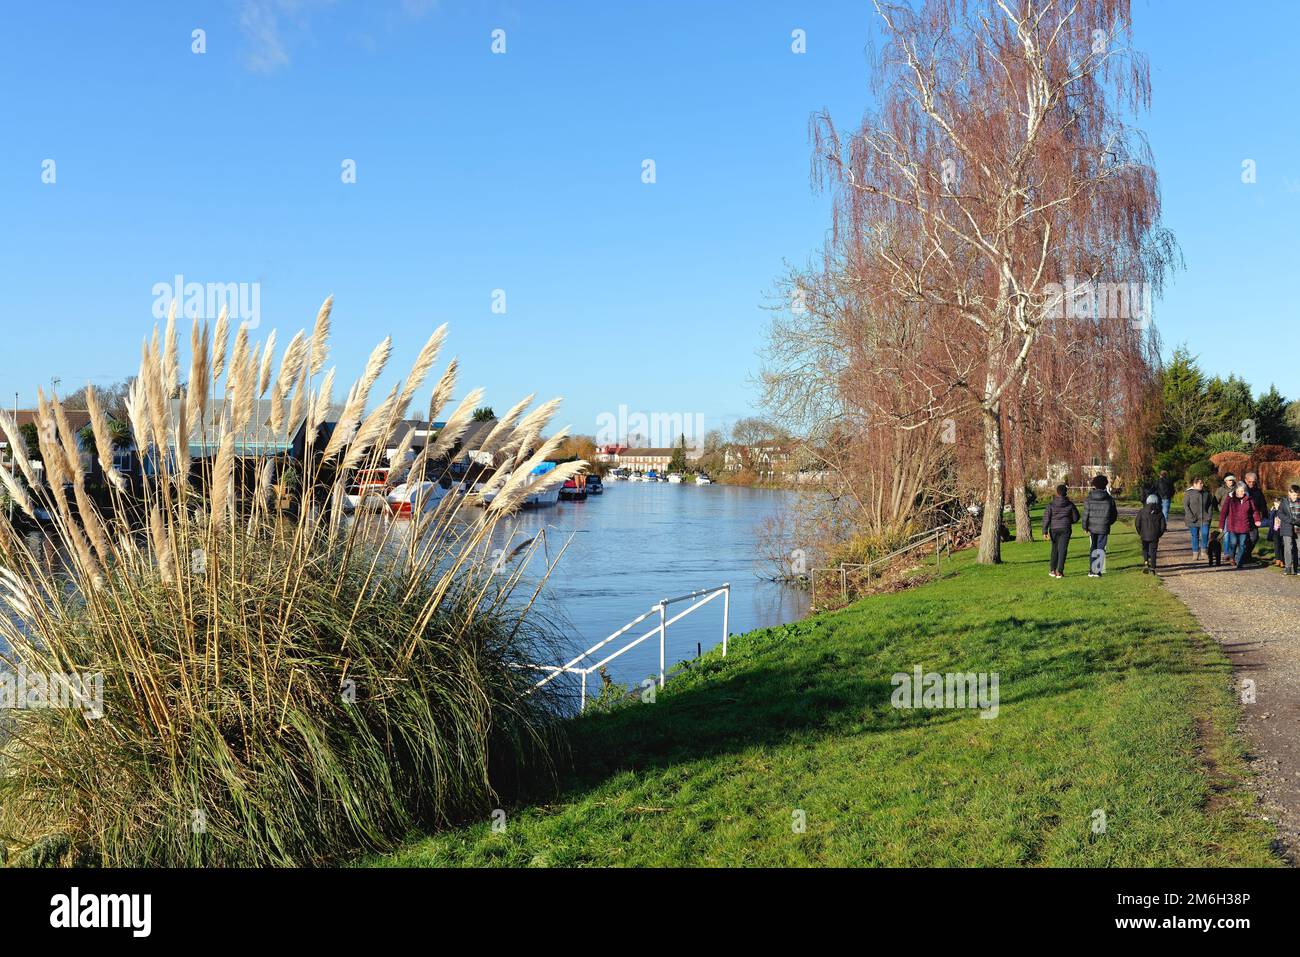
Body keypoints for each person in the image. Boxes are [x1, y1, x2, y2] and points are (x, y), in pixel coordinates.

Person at [1080, 474, 1119, 578]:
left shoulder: (1089, 498)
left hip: (1092, 527)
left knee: (1093, 547)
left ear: (1095, 485)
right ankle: (1097, 570)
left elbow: (1086, 514)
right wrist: (1107, 522)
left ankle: (1092, 570)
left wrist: (1085, 526)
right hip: (1103, 527)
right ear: (1105, 485)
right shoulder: (1109, 499)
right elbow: (1114, 515)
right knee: (1101, 548)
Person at [1041, 483, 1080, 579]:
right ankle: (1060, 571)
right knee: (1063, 549)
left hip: (1054, 529)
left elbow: (1046, 518)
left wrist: (1044, 531)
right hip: (1065, 528)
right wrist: (1068, 521)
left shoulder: (1051, 504)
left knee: (1054, 549)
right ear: (1065, 493)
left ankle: (1052, 570)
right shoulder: (1070, 504)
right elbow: (1076, 517)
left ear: (1057, 493)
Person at [1219, 482, 1261, 570]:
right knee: (1233, 543)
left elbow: (1254, 511)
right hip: (1233, 526)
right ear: (1235, 490)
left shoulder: (1249, 500)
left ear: (1245, 491)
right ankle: (1232, 557)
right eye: (1238, 491)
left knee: (1242, 545)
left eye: (1242, 491)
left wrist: (1257, 520)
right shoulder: (1230, 499)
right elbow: (1224, 512)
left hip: (1244, 527)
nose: (1240, 493)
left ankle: (1239, 561)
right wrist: (1221, 525)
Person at [1182, 476, 1215, 563]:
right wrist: (1191, 516)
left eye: (1202, 483)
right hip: (1192, 519)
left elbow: (1210, 505)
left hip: (1204, 518)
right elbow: (1186, 505)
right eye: (1200, 483)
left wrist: (1209, 516)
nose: (1202, 484)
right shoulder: (1188, 493)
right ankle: (1195, 552)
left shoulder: (1206, 494)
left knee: (1205, 534)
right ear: (1195, 484)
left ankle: (1204, 552)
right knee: (1195, 536)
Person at [1241, 471, 1269, 567]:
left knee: (1254, 537)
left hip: (1254, 518)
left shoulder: (1258, 491)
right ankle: (1242, 556)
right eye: (1249, 482)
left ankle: (1246, 554)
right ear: (1245, 480)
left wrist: (1265, 516)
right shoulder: (1241, 490)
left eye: (1253, 482)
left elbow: (1263, 505)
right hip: (1242, 519)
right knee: (1243, 539)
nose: (1252, 483)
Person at [1134, 493, 1167, 573]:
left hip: (1144, 534)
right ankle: (1152, 567)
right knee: (1153, 551)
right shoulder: (1160, 513)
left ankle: (1146, 562)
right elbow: (1163, 526)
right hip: (1154, 535)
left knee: (1145, 549)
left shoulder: (1142, 511)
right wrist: (1159, 534)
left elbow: (1137, 523)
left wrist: (1140, 532)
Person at [1275, 485, 1300, 577]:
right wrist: (1290, 520)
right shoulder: (1284, 502)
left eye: (1297, 495)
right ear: (1289, 493)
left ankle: (1296, 567)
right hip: (1287, 528)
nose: (1295, 497)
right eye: (1294, 495)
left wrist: (1297, 521)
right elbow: (1280, 513)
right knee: (1288, 548)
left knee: (1298, 548)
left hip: (1298, 528)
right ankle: (1288, 567)